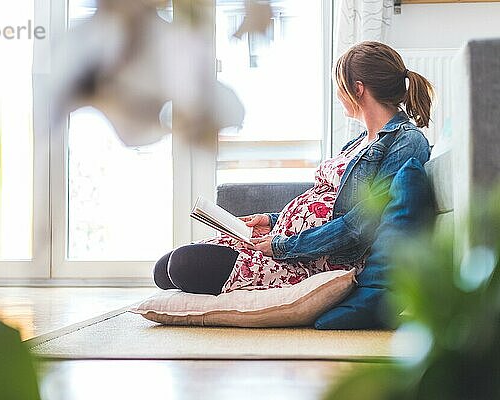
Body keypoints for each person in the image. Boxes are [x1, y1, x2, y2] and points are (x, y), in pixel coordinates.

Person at [153, 41, 434, 296]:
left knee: (181, 265)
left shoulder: (405, 141)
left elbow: (362, 225)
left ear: (357, 89)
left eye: (339, 85)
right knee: (163, 268)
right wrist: (272, 220)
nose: (338, 93)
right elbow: (324, 199)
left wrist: (282, 246)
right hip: (286, 241)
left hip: (312, 258)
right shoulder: (359, 142)